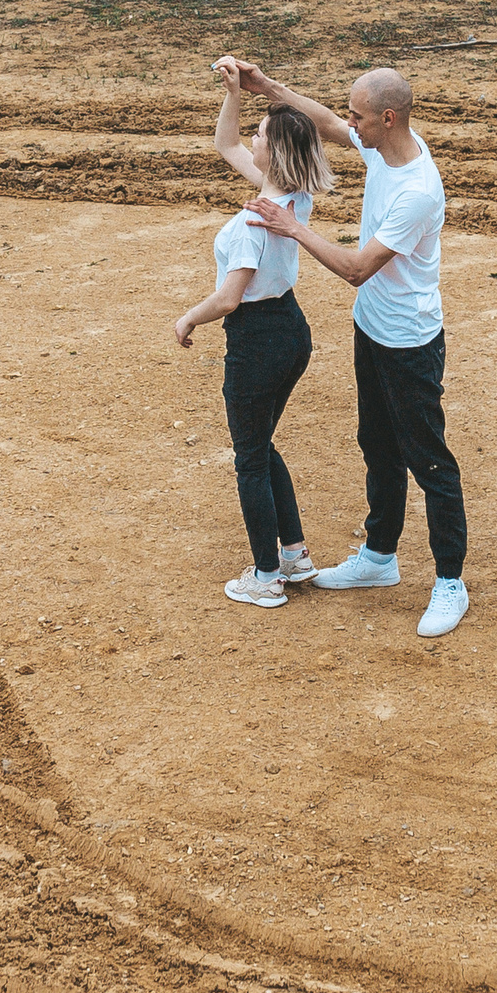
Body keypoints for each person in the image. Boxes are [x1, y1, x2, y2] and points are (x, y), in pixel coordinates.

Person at [240, 62, 470, 640]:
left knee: (429, 462)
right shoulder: (385, 148)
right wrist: (268, 88)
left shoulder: (417, 191)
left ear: (387, 118)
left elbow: (357, 269)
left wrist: (292, 227)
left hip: (410, 343)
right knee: (377, 444)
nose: (349, 126)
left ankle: (450, 581)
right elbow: (325, 124)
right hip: (373, 329)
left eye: (358, 117)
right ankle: (379, 557)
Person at [171, 58, 335, 608]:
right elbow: (226, 144)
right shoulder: (291, 198)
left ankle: (266, 576)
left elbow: (228, 299)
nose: (252, 139)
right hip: (291, 331)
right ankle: (294, 555)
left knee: (249, 457)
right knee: (261, 444)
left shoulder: (253, 221)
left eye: (260, 135)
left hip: (256, 340)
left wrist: (188, 317)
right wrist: (235, 92)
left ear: (274, 154)